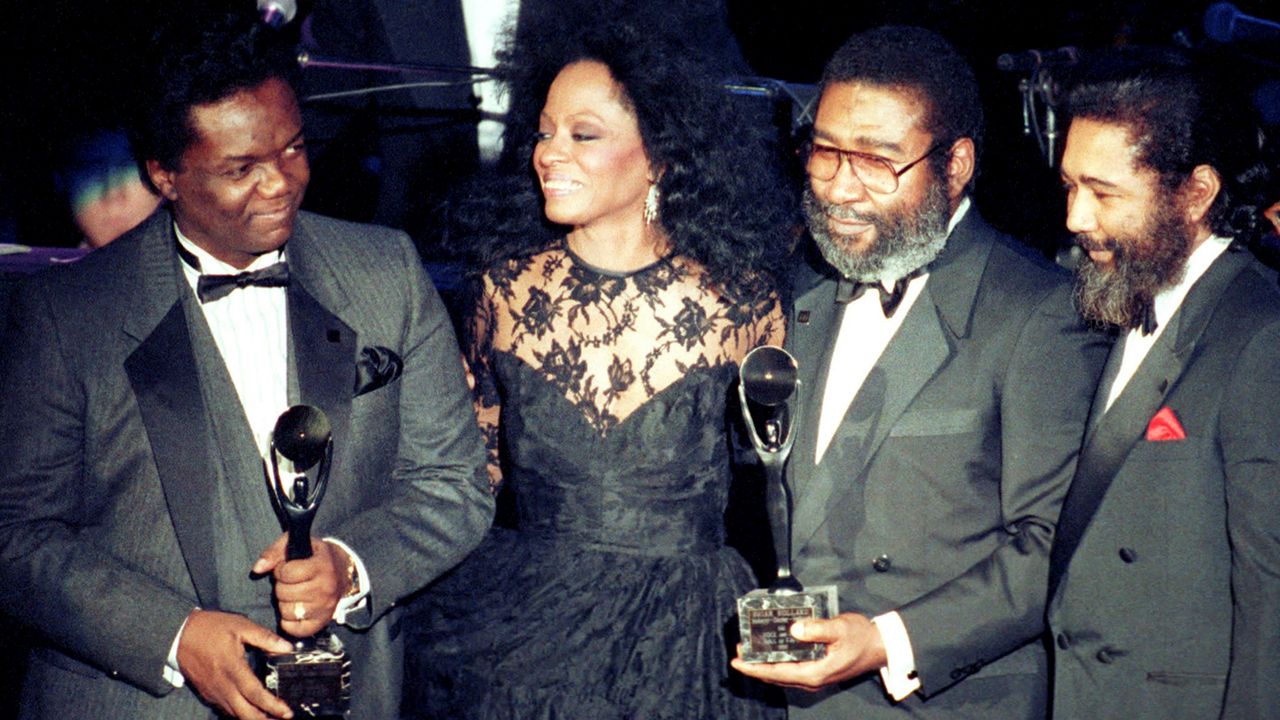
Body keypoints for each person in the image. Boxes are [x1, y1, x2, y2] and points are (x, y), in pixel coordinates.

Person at [0, 12, 492, 720]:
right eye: (241, 169)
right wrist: (173, 635)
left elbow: (454, 485)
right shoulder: (66, 313)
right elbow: (15, 533)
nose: (281, 184)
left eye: (292, 148)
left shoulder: (388, 272)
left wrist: (351, 565)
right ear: (163, 174)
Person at [402, 22, 792, 720]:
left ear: (662, 156)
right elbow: (469, 475)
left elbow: (783, 486)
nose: (548, 154)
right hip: (525, 638)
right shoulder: (504, 290)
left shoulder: (743, 301)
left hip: (687, 646)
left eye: (583, 135)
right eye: (544, 132)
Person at [731, 26, 1108, 718]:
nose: (842, 188)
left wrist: (885, 640)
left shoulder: (1040, 314)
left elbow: (1053, 547)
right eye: (825, 152)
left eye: (877, 161)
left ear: (955, 165)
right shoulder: (798, 290)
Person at [1049, 50, 1280, 719]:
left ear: (1197, 192)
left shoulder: (1260, 335)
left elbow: (1272, 604)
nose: (1075, 217)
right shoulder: (1129, 289)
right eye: (1069, 185)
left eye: (1104, 192)